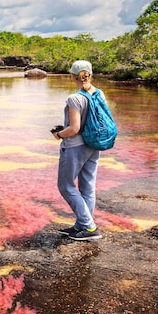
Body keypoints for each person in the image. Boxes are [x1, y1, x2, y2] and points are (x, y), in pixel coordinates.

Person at [51, 60, 104, 241]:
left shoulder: (74, 99)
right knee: (87, 187)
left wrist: (59, 134)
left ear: (72, 76)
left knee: (65, 186)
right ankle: (82, 225)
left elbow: (74, 129)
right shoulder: (99, 94)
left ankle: (89, 227)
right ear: (90, 74)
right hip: (94, 144)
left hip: (75, 147)